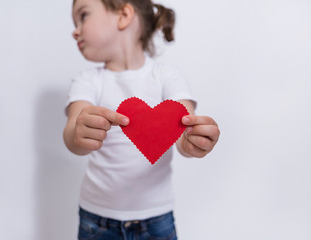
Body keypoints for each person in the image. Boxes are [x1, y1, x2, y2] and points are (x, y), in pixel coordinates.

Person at [63, 0, 220, 239]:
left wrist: (193, 142)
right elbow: (72, 133)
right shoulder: (87, 81)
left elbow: (183, 130)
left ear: (124, 15)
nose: (75, 30)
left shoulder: (167, 76)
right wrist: (78, 134)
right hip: (96, 219)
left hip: (157, 218)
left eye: (83, 16)